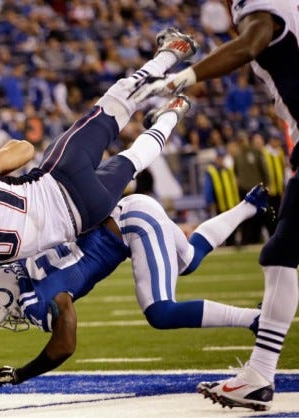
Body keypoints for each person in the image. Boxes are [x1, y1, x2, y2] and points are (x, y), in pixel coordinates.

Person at [0, 28, 199, 346]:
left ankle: (172, 115)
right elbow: (23, 149)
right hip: (58, 175)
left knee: (132, 159)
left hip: (82, 216)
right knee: (115, 105)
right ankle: (172, 52)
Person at [0, 184, 270, 385]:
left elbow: (65, 345)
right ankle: (250, 205)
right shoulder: (19, 264)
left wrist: (22, 374)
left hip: (131, 227)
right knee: (187, 260)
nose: (10, 317)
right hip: (128, 212)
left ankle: (256, 320)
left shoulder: (39, 298)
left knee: (160, 312)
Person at [131, 0, 299, 411]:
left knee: (281, 253)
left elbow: (251, 41)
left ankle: (259, 375)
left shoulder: (260, 8)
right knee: (283, 252)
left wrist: (183, 78)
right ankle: (258, 375)